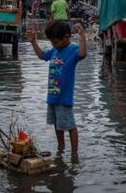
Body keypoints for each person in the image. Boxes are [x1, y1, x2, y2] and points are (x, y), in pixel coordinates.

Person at [26, 20, 86, 155]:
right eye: (52, 42)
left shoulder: (73, 50)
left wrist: (82, 36)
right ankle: (61, 148)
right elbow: (42, 56)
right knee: (57, 124)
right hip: (53, 96)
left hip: (64, 98)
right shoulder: (54, 50)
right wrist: (33, 42)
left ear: (66, 37)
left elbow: (82, 54)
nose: (54, 45)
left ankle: (74, 153)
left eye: (56, 42)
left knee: (70, 125)